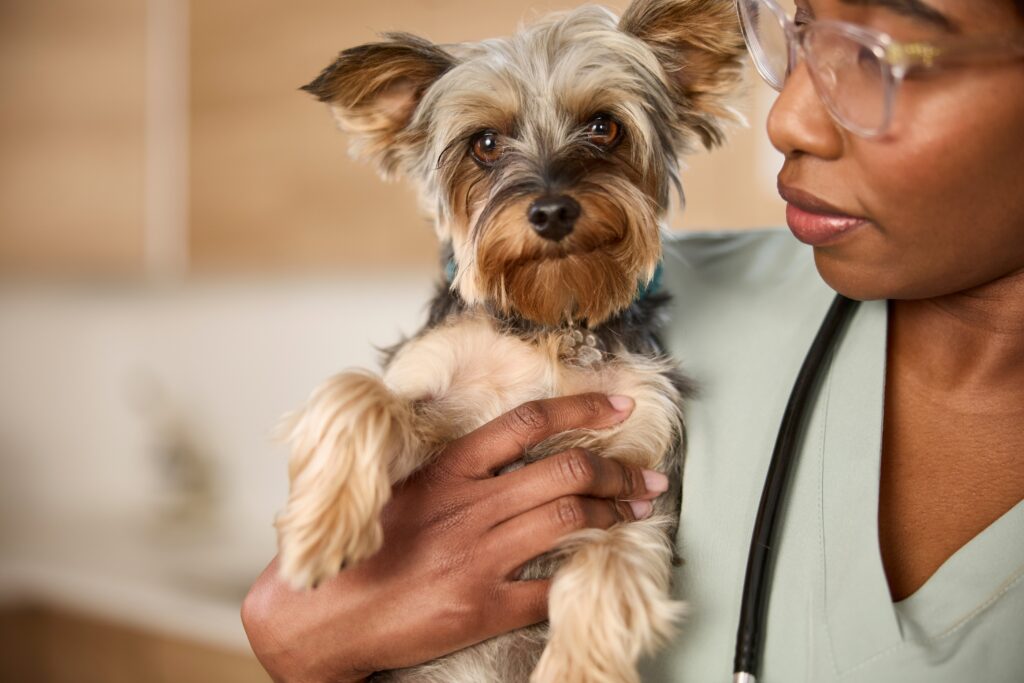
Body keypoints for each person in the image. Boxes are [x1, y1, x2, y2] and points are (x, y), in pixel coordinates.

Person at [242, 0, 1024, 680]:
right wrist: (301, 637)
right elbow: (308, 605)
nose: (788, 115)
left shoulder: (647, 379)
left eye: (880, 53)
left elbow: (628, 536)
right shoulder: (677, 301)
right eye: (805, 37)